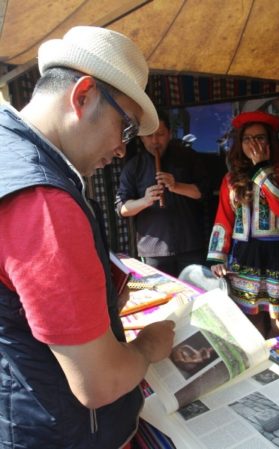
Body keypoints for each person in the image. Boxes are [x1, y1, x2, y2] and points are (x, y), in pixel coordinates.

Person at [0, 26, 175, 448]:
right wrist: (149, 346)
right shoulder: (44, 201)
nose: (121, 149)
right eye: (126, 127)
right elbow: (100, 383)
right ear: (83, 96)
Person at [207, 111, 279, 343]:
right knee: (251, 314)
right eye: (248, 139)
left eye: (259, 138)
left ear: (269, 142)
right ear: (241, 143)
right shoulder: (230, 178)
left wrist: (261, 168)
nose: (253, 143)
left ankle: (277, 357)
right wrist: (218, 257)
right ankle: (260, 359)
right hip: (245, 255)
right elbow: (223, 217)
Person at [116, 109, 209, 277]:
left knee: (196, 294)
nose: (155, 141)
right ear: (141, 137)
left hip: (190, 244)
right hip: (153, 249)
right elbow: (122, 208)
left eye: (160, 134)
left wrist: (176, 186)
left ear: (170, 134)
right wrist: (145, 200)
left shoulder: (188, 158)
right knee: (163, 297)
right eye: (149, 136)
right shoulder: (133, 167)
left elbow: (203, 193)